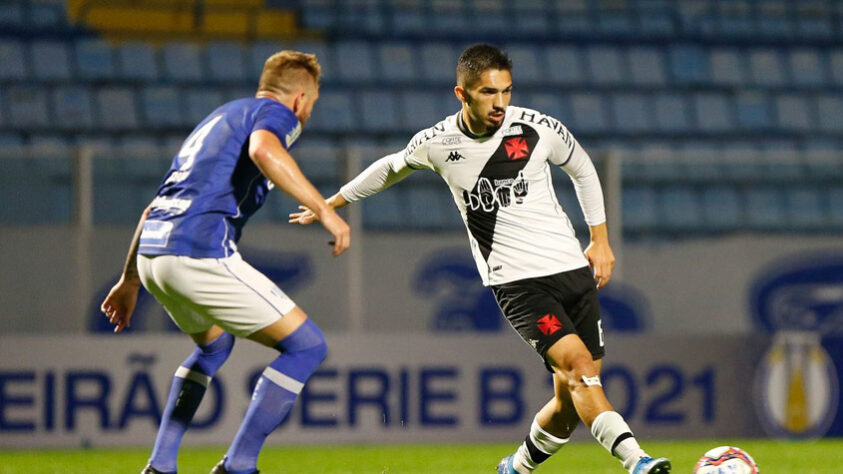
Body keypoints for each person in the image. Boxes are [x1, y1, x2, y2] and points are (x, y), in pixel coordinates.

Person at [290, 44, 671, 474]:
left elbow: (581, 166)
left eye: (506, 91)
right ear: (462, 93)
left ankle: (514, 468)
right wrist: (331, 203)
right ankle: (637, 460)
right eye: (489, 93)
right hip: (520, 285)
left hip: (572, 272)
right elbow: (390, 168)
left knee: (569, 405)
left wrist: (600, 240)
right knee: (580, 369)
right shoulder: (438, 143)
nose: (501, 103)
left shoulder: (537, 128)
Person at [100, 50, 350, 474]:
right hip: (196, 251)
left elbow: (153, 208)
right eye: (312, 102)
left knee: (214, 346)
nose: (309, 112)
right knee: (308, 346)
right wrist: (325, 210)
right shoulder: (276, 117)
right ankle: (239, 466)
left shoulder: (220, 119)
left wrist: (129, 282)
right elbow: (264, 150)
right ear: (299, 98)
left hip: (152, 254)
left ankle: (161, 465)